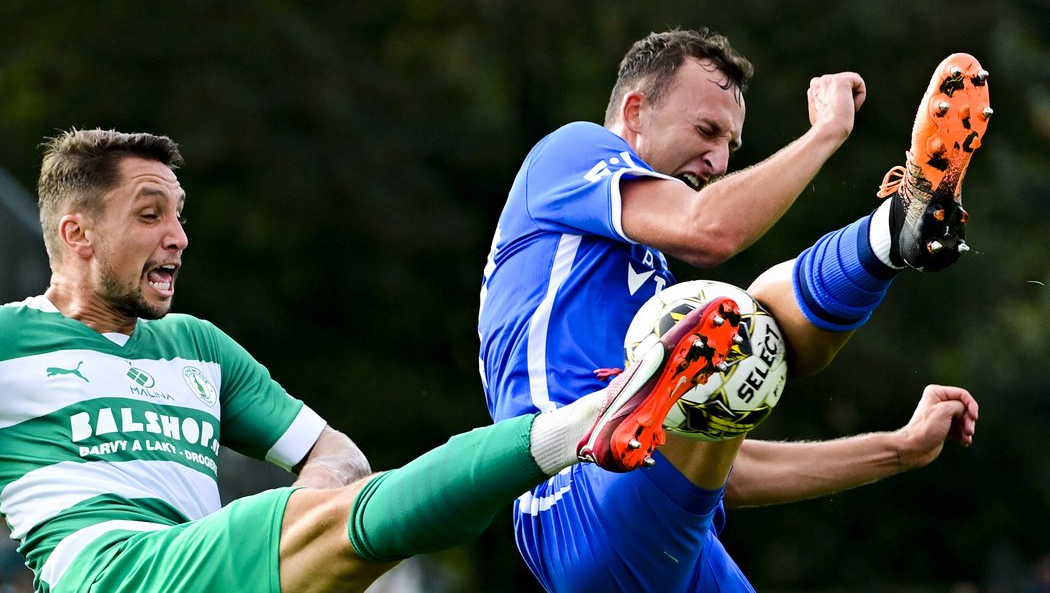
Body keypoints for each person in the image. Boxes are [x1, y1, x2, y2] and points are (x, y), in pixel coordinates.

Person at [0, 128, 747, 593]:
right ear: (78, 234)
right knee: (363, 527)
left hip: (214, 571)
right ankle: (586, 424)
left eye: (181, 216)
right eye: (151, 214)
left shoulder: (197, 347)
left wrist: (318, 502)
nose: (180, 237)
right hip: (105, 571)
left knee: (357, 517)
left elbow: (336, 454)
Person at [477, 29, 989, 592]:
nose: (719, 160)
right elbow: (709, 229)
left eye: (731, 146)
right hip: (575, 497)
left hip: (671, 540)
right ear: (634, 111)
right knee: (729, 324)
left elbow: (731, 469)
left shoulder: (639, 277)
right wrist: (826, 133)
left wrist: (899, 449)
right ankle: (892, 233)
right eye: (706, 131)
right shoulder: (568, 154)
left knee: (723, 356)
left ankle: (896, 233)